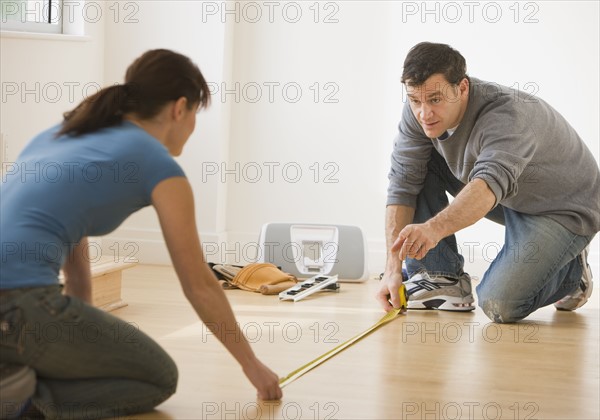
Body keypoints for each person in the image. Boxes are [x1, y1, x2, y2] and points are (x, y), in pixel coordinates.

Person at [0, 49, 282, 419]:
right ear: (180, 108)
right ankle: (24, 402)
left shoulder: (61, 134)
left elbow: (70, 223)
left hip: (18, 307)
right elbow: (198, 284)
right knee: (158, 377)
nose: (194, 126)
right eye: (196, 114)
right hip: (20, 306)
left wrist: (78, 321)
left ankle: (14, 372)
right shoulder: (156, 163)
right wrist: (252, 365)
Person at [377, 42, 599, 323]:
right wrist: (392, 268)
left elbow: (486, 186)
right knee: (414, 167)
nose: (424, 113)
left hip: (562, 208)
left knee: (499, 304)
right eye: (415, 100)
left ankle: (572, 274)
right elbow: (402, 184)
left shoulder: (507, 116)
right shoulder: (419, 114)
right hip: (510, 194)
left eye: (435, 100)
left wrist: (432, 229)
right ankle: (440, 276)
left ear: (463, 88)